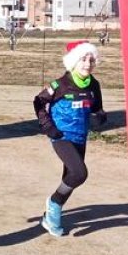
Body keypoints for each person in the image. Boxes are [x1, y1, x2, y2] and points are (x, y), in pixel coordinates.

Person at [33, 39, 106, 237]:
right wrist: (48, 127)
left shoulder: (94, 85)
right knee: (80, 173)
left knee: (71, 177)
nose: (87, 64)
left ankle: (50, 217)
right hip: (61, 136)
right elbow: (39, 102)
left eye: (91, 59)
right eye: (83, 59)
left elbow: (96, 106)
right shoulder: (60, 84)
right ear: (73, 61)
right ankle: (54, 204)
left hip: (81, 137)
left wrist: (100, 115)